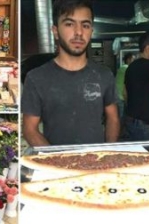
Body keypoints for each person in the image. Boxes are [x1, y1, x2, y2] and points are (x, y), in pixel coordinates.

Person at [21, 0, 120, 146]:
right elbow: (30, 129)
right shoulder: (36, 78)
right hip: (56, 165)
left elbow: (113, 118)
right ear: (55, 31)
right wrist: (56, 162)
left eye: (85, 25)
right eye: (69, 24)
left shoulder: (104, 75)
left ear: (91, 31)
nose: (79, 32)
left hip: (97, 163)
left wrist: (108, 152)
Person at [124, 31, 149, 141]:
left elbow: (125, 93)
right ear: (148, 48)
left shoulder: (130, 67)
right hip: (142, 123)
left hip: (131, 119)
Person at [115, 53, 134, 121]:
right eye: (133, 59)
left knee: (120, 116)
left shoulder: (122, 68)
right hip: (120, 96)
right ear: (128, 60)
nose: (133, 61)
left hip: (117, 95)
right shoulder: (126, 68)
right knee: (121, 117)